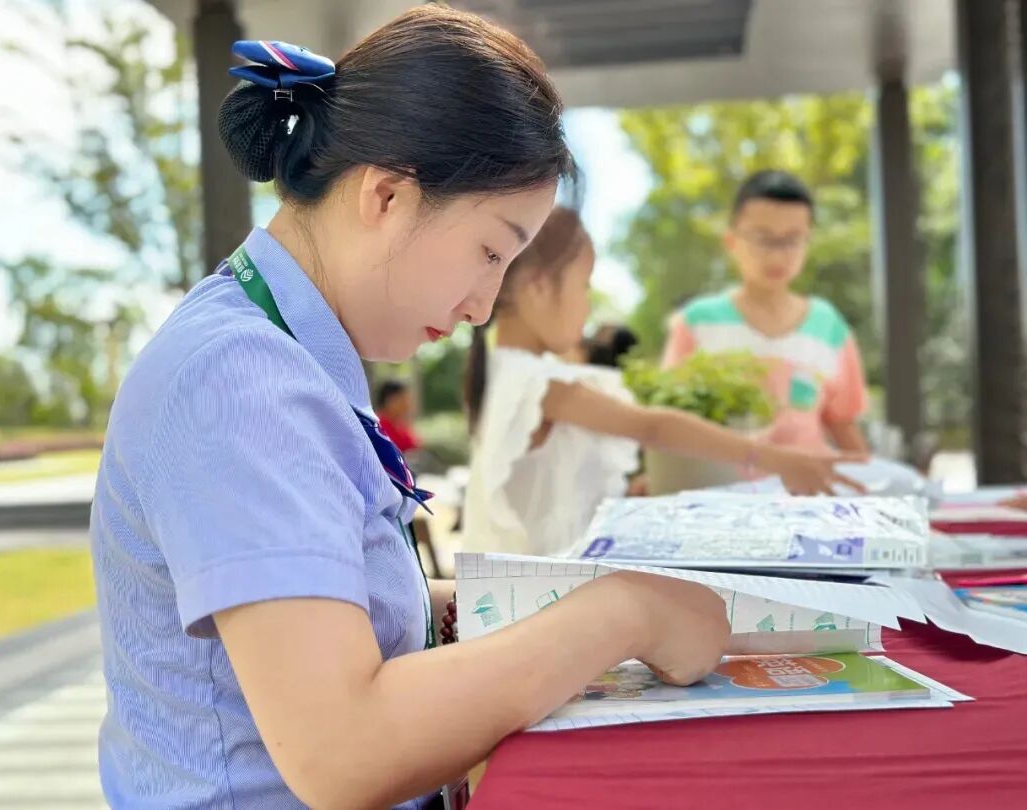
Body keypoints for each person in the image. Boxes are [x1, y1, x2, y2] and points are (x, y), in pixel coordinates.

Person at [89, 9, 731, 809]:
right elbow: (342, 752)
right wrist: (622, 613)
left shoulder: (277, 352)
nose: (483, 305)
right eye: (490, 251)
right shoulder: (240, 381)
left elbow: (335, 609)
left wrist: (535, 605)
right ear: (387, 193)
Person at [462, 207, 863, 557]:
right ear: (537, 288)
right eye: (584, 286)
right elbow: (653, 427)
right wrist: (775, 458)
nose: (587, 305)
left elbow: (547, 494)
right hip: (549, 591)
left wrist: (622, 497)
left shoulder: (502, 372)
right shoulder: (538, 382)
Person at [662, 170, 870, 453]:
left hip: (805, 481)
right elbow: (669, 421)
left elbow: (843, 424)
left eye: (792, 240)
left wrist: (872, 477)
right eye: (763, 238)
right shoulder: (697, 322)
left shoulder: (829, 327)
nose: (777, 254)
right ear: (732, 242)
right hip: (720, 480)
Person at [376, 379, 421, 454]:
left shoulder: (400, 424)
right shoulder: (378, 425)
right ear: (389, 400)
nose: (407, 404)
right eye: (403, 399)